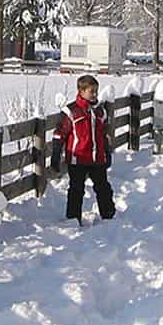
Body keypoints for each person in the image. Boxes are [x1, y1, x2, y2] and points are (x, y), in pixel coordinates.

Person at [51, 75, 116, 225]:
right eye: (91, 91)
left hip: (97, 158)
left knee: (103, 187)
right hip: (78, 158)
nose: (94, 94)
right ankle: (73, 219)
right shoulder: (71, 111)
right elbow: (59, 133)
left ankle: (109, 216)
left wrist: (106, 152)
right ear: (81, 91)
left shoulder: (100, 112)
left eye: (96, 91)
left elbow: (103, 134)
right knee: (76, 189)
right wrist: (56, 154)